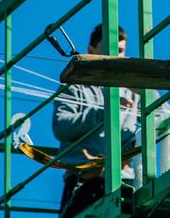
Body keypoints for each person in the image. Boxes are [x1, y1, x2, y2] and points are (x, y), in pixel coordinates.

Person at [53, 24, 138, 218]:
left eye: (120, 51)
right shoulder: (76, 87)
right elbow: (61, 127)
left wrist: (148, 91)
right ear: (91, 50)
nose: (115, 55)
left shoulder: (134, 89)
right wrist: (104, 112)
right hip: (84, 181)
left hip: (126, 181)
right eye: (108, 49)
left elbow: (166, 117)